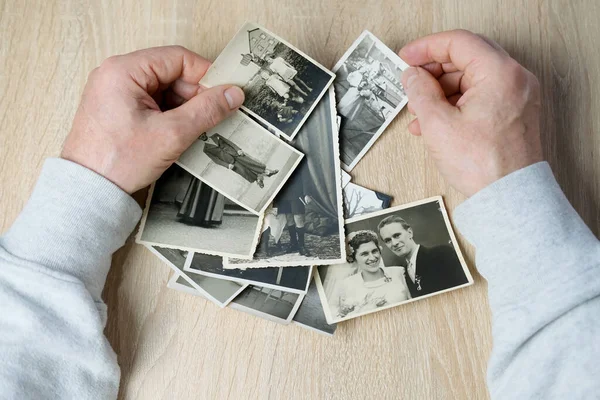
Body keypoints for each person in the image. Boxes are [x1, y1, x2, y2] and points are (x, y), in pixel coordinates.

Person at [0, 28, 597, 399]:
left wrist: (80, 195)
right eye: (367, 245)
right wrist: (513, 185)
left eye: (372, 245)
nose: (366, 248)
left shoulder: (392, 270)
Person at [377, 215, 469, 297]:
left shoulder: (442, 254)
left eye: (397, 235)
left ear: (410, 232)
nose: (394, 243)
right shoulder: (403, 273)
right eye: (388, 240)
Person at [330, 230, 410, 319]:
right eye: (364, 254)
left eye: (374, 251)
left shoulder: (399, 272)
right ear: (354, 258)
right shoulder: (346, 285)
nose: (372, 258)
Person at [199, 132, 279, 188]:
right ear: (199, 139)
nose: (202, 136)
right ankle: (258, 181)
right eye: (200, 136)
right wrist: (227, 165)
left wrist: (238, 149)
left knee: (251, 163)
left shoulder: (215, 135)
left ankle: (268, 172)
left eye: (202, 134)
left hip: (235, 153)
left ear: (204, 133)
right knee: (243, 171)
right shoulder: (206, 149)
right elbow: (216, 160)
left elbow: (229, 142)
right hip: (229, 161)